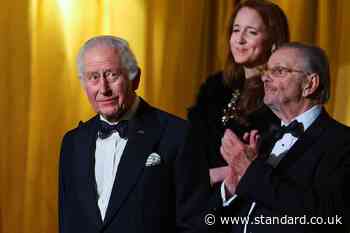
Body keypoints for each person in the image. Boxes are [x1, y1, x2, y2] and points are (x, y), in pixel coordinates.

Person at [58, 35, 210, 233]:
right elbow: (68, 224)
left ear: (135, 78)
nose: (103, 89)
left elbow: (196, 225)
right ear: (84, 84)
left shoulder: (177, 135)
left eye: (112, 75)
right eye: (94, 77)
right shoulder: (72, 143)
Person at [219, 42, 350, 233]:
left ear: (310, 84)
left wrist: (252, 172)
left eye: (278, 71)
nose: (264, 78)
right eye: (266, 71)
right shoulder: (263, 141)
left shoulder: (341, 143)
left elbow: (329, 217)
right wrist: (232, 188)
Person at [187, 0, 290, 185]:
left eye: (251, 32)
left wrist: (217, 174)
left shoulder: (280, 92)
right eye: (236, 30)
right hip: (201, 193)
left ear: (273, 42)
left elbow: (280, 159)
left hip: (249, 195)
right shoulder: (215, 86)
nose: (240, 39)